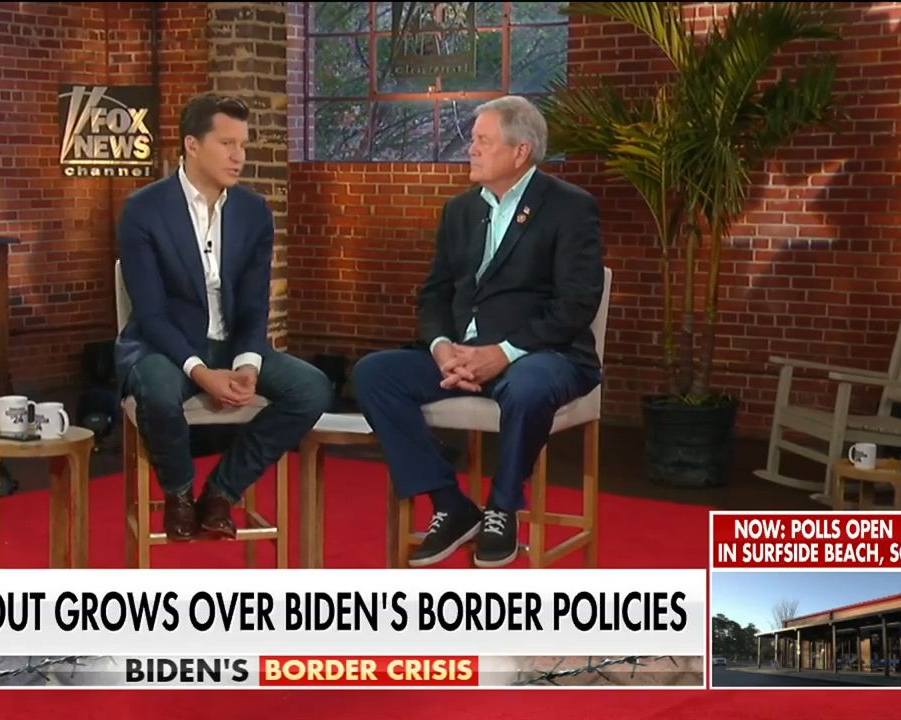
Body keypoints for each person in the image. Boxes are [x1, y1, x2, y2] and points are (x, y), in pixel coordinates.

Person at [352, 95, 605, 568]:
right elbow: (435, 293)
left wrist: (504, 352)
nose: (471, 149)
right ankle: (450, 504)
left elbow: (576, 303)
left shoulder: (569, 207)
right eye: (473, 140)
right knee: (374, 374)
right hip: (463, 355)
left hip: (542, 355)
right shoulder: (460, 210)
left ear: (520, 151)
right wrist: (441, 347)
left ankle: (502, 509)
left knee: (527, 388)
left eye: (483, 141)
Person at [115, 93, 332, 542]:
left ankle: (221, 492)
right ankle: (179, 494)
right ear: (192, 145)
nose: (239, 157)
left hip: (232, 344)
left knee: (312, 387)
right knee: (157, 388)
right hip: (165, 346)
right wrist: (201, 373)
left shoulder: (253, 212)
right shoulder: (144, 209)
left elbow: (254, 305)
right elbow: (151, 315)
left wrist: (247, 363)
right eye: (227, 144)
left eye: (244, 145)